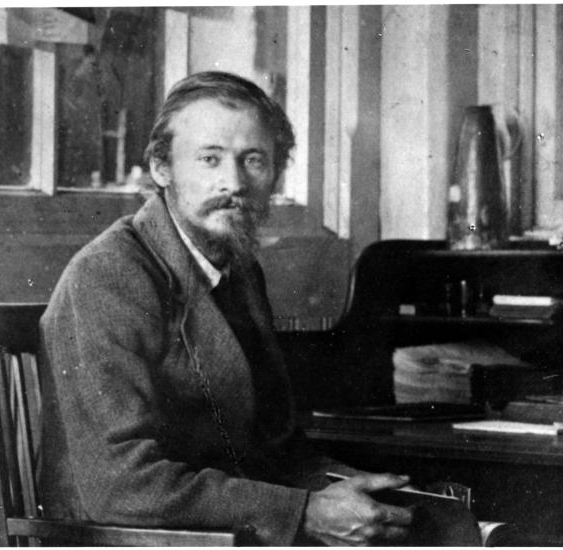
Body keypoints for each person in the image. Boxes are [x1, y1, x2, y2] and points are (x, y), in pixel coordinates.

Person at [37, 71, 415, 546]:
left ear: (275, 174)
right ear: (161, 167)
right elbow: (119, 486)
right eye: (209, 158)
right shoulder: (106, 276)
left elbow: (275, 449)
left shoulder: (238, 271)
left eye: (253, 160)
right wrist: (304, 513)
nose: (233, 182)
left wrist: (349, 491)